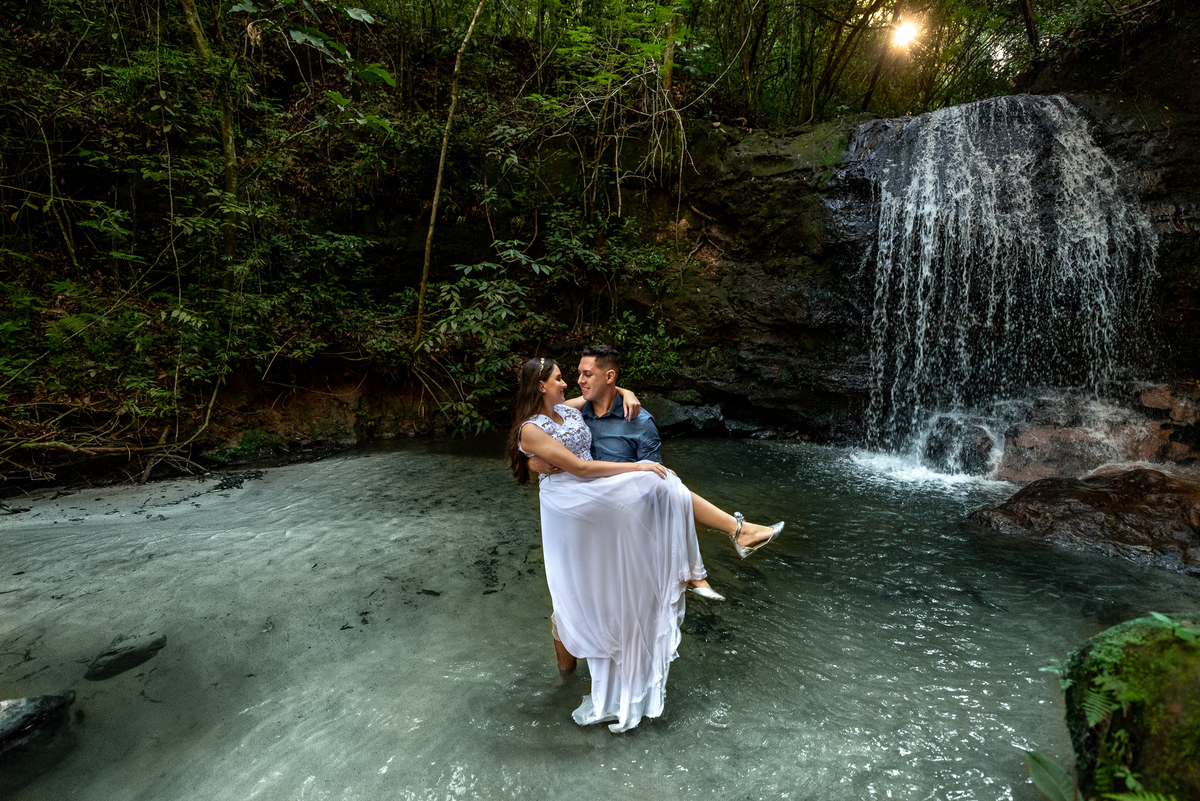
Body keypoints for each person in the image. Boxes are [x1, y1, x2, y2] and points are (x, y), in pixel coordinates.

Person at [508, 356, 783, 733]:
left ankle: (723, 545)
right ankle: (721, 546)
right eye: (559, 378)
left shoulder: (568, 411)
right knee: (656, 481)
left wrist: (624, 389)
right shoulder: (530, 429)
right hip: (571, 501)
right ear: (540, 385)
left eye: (573, 376)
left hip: (591, 492)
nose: (568, 383)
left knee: (663, 486)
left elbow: (599, 391)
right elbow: (582, 468)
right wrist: (636, 466)